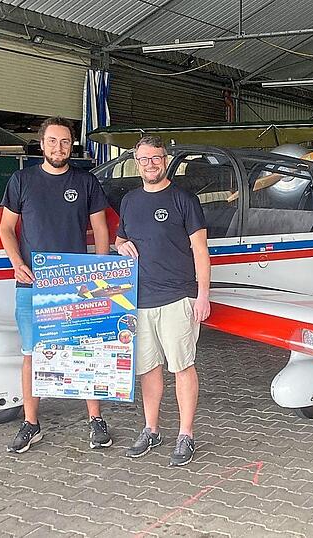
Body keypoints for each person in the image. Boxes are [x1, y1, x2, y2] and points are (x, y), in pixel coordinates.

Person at [0, 117, 112, 454]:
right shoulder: (22, 180)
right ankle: (31, 424)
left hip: (76, 283)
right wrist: (17, 263)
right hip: (32, 282)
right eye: (52, 141)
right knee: (31, 354)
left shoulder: (86, 181)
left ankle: (95, 420)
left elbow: (101, 229)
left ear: (72, 145)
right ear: (42, 143)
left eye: (64, 142)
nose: (58, 147)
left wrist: (98, 270)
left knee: (84, 351)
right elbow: (6, 228)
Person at [114, 135, 210, 466]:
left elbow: (200, 250)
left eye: (156, 158)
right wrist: (118, 246)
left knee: (182, 366)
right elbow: (121, 238)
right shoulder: (129, 202)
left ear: (165, 160)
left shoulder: (184, 200)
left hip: (176, 297)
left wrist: (202, 295)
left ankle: (186, 434)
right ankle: (151, 429)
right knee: (148, 369)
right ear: (136, 162)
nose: (150, 164)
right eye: (144, 159)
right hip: (139, 300)